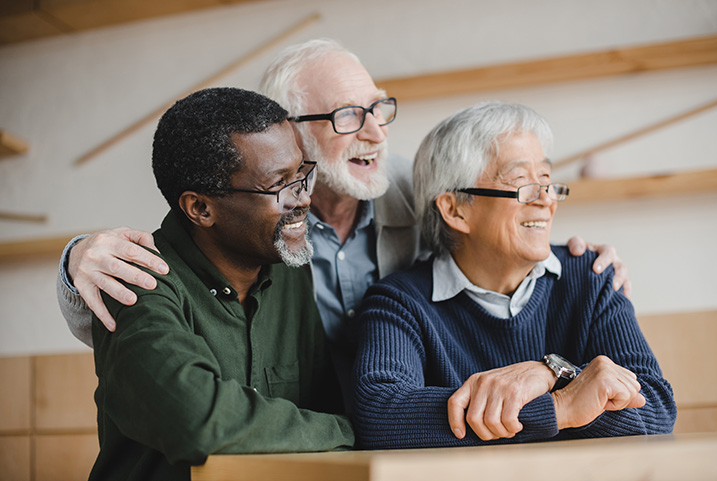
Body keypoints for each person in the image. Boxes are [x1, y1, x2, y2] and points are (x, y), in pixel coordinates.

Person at [57, 39, 630, 401]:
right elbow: (172, 268)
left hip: (419, 421)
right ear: (288, 132)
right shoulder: (250, 217)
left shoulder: (415, 186)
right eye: (349, 116)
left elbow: (497, 226)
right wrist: (76, 257)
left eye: (379, 108)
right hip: (316, 428)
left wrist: (569, 258)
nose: (377, 133)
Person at [352, 101, 675, 449]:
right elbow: (380, 415)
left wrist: (550, 372)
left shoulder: (591, 278)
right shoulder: (400, 301)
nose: (545, 200)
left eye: (547, 180)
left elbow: (655, 408)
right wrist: (560, 407)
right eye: (520, 181)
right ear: (455, 209)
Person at [87, 88, 353, 481]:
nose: (302, 199)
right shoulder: (136, 280)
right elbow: (196, 418)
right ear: (200, 209)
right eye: (279, 184)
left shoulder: (289, 267)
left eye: (301, 174)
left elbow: (321, 402)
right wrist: (348, 431)